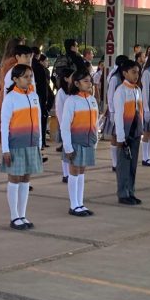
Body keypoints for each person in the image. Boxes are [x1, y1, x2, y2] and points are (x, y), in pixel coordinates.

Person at [1, 64, 43, 230]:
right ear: (15, 79)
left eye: (30, 76)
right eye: (25, 77)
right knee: (15, 179)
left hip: (31, 143)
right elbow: (5, 125)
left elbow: (38, 119)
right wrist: (5, 149)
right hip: (16, 144)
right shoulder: (10, 98)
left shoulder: (33, 96)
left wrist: (39, 142)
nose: (29, 79)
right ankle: (14, 216)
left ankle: (22, 214)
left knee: (26, 178)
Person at [61, 69, 99, 217]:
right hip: (75, 142)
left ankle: (80, 203)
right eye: (85, 81)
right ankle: (73, 205)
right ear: (76, 83)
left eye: (90, 80)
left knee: (82, 171)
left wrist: (94, 141)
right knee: (74, 171)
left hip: (88, 141)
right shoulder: (72, 100)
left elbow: (95, 123)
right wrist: (68, 147)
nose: (89, 84)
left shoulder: (92, 99)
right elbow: (65, 126)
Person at [113, 60, 143, 205]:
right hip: (125, 132)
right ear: (125, 73)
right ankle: (123, 193)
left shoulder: (137, 89)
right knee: (123, 164)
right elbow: (118, 115)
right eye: (133, 72)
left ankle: (130, 191)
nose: (136, 75)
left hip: (136, 131)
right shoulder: (121, 91)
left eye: (137, 72)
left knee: (132, 164)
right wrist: (120, 137)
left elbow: (140, 110)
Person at [103, 55, 129, 172]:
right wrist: (112, 112)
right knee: (115, 136)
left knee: (122, 136)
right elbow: (110, 96)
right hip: (115, 111)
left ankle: (120, 161)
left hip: (125, 111)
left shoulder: (125, 77)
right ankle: (115, 162)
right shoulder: (115, 78)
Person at [55, 69, 74, 183]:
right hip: (65, 125)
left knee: (71, 149)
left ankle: (70, 172)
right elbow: (59, 110)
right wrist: (64, 125)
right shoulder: (61, 93)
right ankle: (65, 174)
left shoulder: (72, 91)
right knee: (65, 150)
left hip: (74, 126)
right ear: (66, 79)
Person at [32, 51, 53, 149]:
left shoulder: (32, 67)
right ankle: (41, 142)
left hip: (37, 98)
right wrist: (46, 102)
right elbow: (44, 87)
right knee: (41, 120)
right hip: (40, 98)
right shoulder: (40, 69)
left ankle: (41, 142)